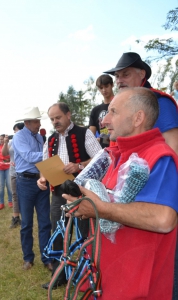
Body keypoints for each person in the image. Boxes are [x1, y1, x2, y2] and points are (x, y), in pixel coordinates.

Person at [63, 87, 178, 299]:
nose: (104, 120)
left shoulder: (160, 156)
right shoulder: (116, 155)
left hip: (139, 290)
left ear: (138, 118)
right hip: (108, 282)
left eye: (113, 112)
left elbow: (164, 219)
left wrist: (100, 208)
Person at [37, 102, 102, 289]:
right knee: (58, 232)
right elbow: (44, 164)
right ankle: (59, 275)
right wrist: (42, 179)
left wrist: (79, 165)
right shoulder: (50, 140)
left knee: (83, 233)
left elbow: (101, 157)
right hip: (58, 193)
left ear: (68, 115)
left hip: (82, 192)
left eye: (58, 117)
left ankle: (86, 274)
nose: (55, 122)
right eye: (52, 119)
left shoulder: (84, 133)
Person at [103, 52, 178, 153]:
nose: (119, 81)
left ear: (142, 74)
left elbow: (173, 146)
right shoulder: (118, 104)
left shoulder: (160, 101)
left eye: (126, 75)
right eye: (117, 76)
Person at [12, 107, 52, 271]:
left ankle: (46, 257)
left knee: (45, 222)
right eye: (36, 121)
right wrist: (49, 154)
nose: (39, 123)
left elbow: (40, 160)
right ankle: (28, 258)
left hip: (41, 180)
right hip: (26, 183)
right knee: (27, 223)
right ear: (27, 123)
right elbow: (28, 156)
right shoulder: (19, 137)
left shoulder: (39, 137)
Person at [2, 122, 24, 229]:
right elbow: (4, 154)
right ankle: (16, 217)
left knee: (24, 195)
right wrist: (5, 143)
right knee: (14, 194)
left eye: (17, 130)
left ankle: (25, 216)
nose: (15, 132)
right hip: (13, 172)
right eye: (14, 130)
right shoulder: (11, 141)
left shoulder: (25, 140)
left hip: (24, 172)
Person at [89, 74, 114, 148]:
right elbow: (90, 136)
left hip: (119, 145)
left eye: (106, 86)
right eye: (101, 88)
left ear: (112, 85)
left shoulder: (121, 104)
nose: (104, 90)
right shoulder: (95, 110)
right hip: (104, 149)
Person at [0, 134, 12, 210]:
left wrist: (1, 156)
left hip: (8, 168)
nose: (1, 140)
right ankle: (1, 203)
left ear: (5, 140)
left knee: (9, 185)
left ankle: (10, 201)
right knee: (1, 186)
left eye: (2, 139)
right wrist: (3, 157)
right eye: (0, 139)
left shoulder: (8, 146)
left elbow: (10, 156)